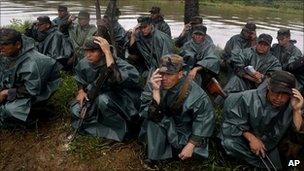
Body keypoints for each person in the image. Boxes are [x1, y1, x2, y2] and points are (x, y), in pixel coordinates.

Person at [139, 54, 215, 162]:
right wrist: (155, 91)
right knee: (153, 120)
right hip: (163, 122)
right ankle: (156, 157)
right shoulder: (154, 83)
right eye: (162, 73)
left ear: (180, 74)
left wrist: (191, 144)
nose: (164, 78)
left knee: (194, 151)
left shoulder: (196, 94)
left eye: (169, 74)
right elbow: (146, 111)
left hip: (183, 131)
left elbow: (204, 119)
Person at [219, 70, 302, 169]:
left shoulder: (293, 105)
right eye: (275, 92)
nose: (279, 98)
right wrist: (251, 138)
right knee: (229, 144)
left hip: (273, 145)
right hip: (245, 141)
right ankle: (264, 165)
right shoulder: (246, 98)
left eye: (285, 94)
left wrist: (297, 110)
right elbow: (231, 123)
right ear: (268, 86)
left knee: (296, 160)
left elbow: (298, 133)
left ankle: (284, 165)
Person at [70, 36, 141, 142]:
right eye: (86, 51)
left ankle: (119, 132)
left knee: (103, 101)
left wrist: (108, 53)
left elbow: (117, 79)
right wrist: (81, 91)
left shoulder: (120, 64)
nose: (88, 55)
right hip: (95, 95)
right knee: (76, 110)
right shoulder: (85, 63)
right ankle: (103, 130)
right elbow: (81, 79)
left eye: (93, 51)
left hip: (120, 98)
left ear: (102, 52)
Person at [0, 28, 60, 127]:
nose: (1, 48)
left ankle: (39, 115)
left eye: (5, 45)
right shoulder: (8, 53)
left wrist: (6, 93)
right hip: (16, 85)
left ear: (18, 45)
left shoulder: (32, 62)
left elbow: (32, 90)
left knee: (10, 110)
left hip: (36, 93)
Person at [128, 16, 173, 85]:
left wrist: (162, 73)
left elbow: (167, 58)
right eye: (141, 28)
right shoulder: (140, 36)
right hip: (147, 66)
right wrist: (133, 35)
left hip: (160, 67)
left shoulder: (162, 38)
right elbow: (132, 52)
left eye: (145, 27)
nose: (143, 30)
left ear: (150, 25)